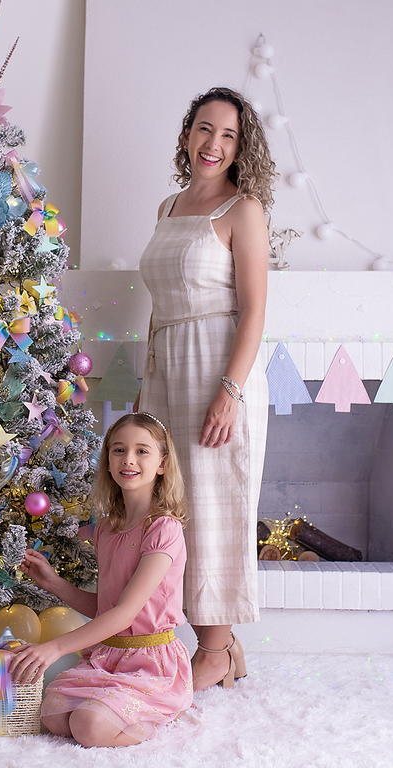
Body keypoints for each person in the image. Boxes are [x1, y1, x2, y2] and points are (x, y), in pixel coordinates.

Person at [136, 87, 277, 691]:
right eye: (204, 129)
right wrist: (146, 384)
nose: (213, 144)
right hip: (167, 365)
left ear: (242, 148)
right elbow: (158, 307)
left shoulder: (243, 211)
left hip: (219, 367)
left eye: (228, 135)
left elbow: (254, 311)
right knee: (170, 506)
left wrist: (230, 390)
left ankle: (215, 648)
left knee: (215, 509)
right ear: (187, 134)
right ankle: (211, 643)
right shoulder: (168, 208)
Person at [11, 412, 192, 748]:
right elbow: (106, 607)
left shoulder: (163, 529)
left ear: (162, 463)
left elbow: (125, 613)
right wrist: (54, 584)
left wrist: (55, 648)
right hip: (108, 656)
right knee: (54, 717)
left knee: (89, 727)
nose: (129, 459)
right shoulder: (107, 528)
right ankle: (115, 704)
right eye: (119, 450)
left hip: (151, 661)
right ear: (107, 460)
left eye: (142, 451)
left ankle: (162, 711)